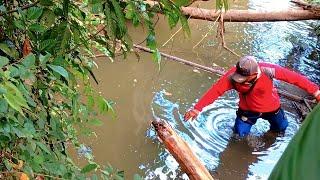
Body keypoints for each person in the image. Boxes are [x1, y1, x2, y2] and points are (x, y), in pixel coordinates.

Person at [184, 56, 320, 137]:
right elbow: (215, 91)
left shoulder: (269, 71)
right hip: (247, 111)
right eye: (239, 76)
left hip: (272, 109)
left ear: (255, 74)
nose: (239, 80)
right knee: (238, 136)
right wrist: (197, 108)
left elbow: (296, 79)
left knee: (281, 129)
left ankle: (269, 139)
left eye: (244, 78)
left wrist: (316, 92)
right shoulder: (232, 77)